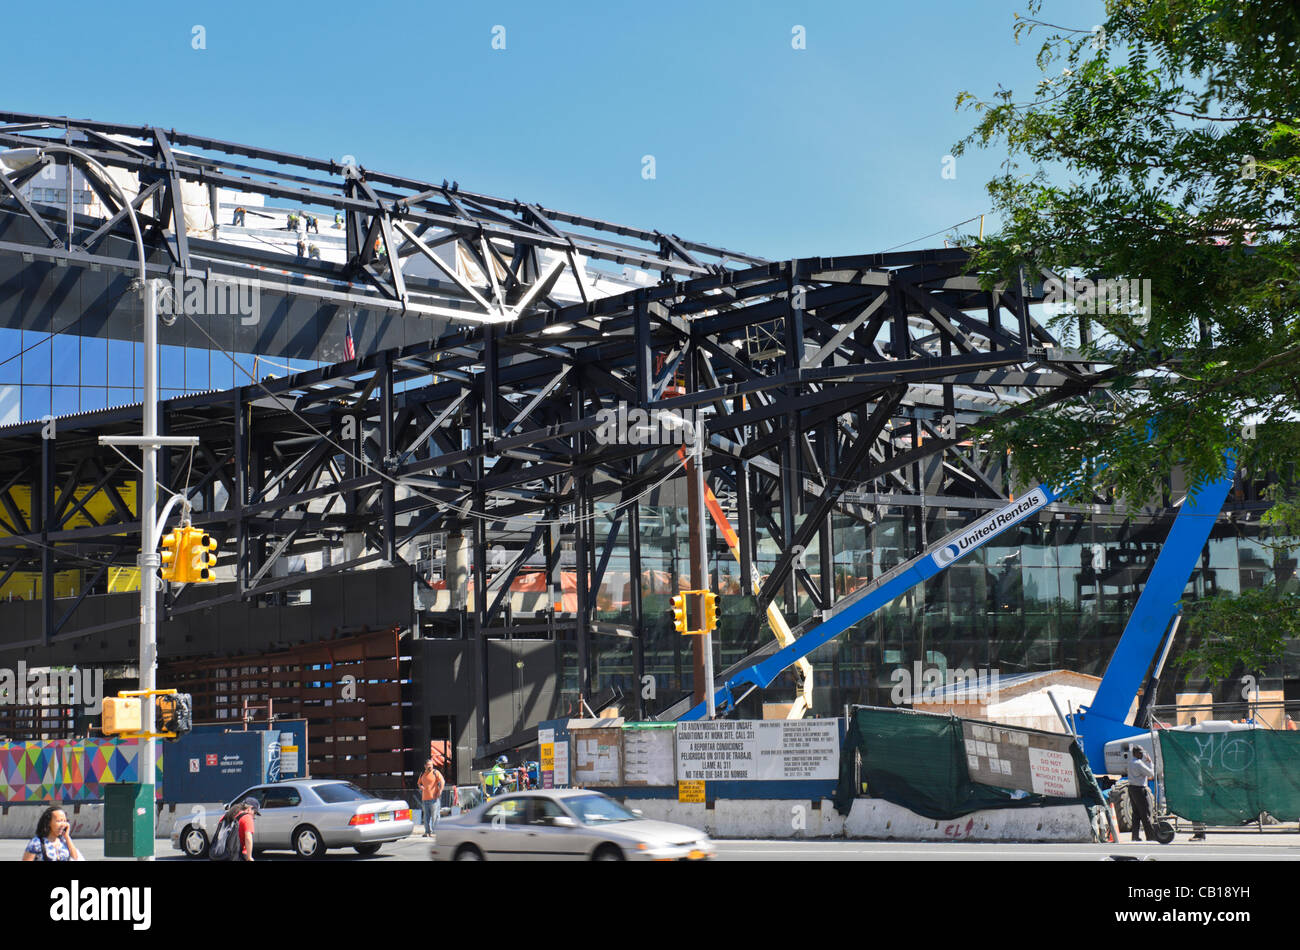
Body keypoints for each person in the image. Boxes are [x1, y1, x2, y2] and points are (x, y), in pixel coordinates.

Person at [1127, 746, 1157, 842]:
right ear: (1135, 753)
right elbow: (1151, 773)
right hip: (1139, 789)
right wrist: (1150, 763)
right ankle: (1151, 836)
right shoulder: (1139, 763)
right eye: (1140, 753)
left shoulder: (1130, 763)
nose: (1142, 754)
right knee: (1145, 813)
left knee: (1136, 814)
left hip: (1131, 789)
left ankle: (1135, 836)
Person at [418, 760, 445, 837]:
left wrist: (440, 790)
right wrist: (421, 787)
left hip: (434, 799)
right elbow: (419, 783)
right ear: (425, 766)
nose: (430, 766)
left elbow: (442, 781)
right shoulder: (422, 774)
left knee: (435, 816)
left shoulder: (435, 772)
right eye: (429, 765)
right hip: (425, 799)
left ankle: (435, 832)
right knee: (426, 817)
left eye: (431, 765)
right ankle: (427, 831)